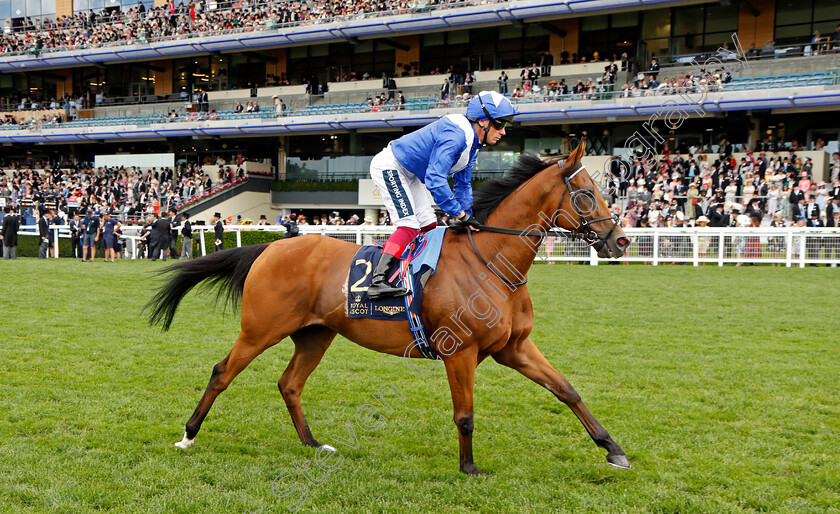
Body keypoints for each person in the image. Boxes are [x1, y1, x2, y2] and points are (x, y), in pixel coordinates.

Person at [366, 90, 518, 299]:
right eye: (500, 124)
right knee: (409, 225)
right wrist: (459, 214)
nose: (503, 132)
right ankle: (377, 281)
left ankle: (417, 273)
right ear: (483, 121)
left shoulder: (473, 143)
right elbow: (435, 179)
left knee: (429, 225)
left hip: (409, 173)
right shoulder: (456, 135)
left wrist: (469, 216)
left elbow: (463, 184)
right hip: (391, 166)